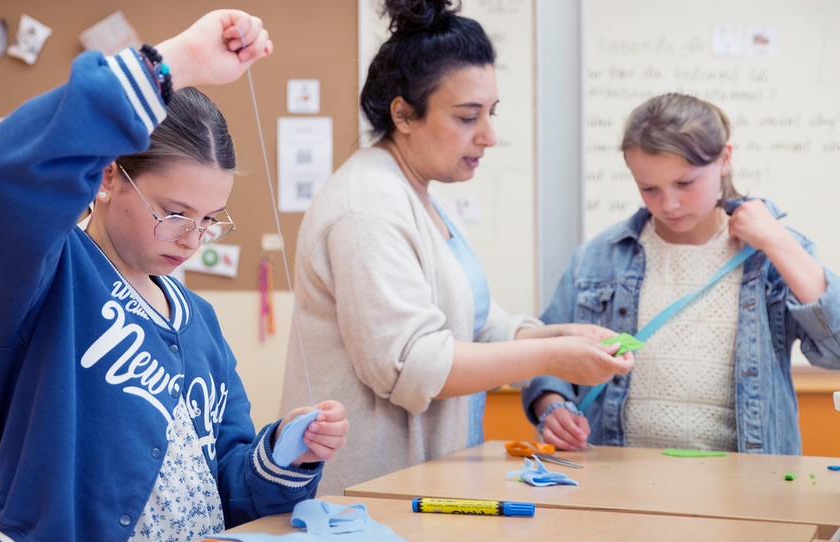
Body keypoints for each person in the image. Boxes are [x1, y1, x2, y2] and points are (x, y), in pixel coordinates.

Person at [0, 11, 348, 542]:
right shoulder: (46, 274)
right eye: (174, 212)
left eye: (210, 220)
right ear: (108, 175)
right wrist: (182, 61)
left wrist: (284, 452)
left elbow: (227, 485)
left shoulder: (200, 321)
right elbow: (1, 170)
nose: (192, 238)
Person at [278, 0, 633, 497]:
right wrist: (552, 356)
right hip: (366, 496)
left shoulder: (423, 197)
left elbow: (476, 327)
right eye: (468, 117)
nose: (488, 136)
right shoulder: (368, 206)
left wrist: (559, 334)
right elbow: (413, 365)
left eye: (491, 113)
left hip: (420, 486)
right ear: (403, 113)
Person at [522, 93, 840, 454]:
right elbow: (542, 353)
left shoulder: (770, 255)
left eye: (685, 183)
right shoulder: (598, 258)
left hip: (743, 486)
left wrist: (778, 241)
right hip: (615, 481)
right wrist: (551, 405)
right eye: (649, 188)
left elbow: (836, 349)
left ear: (724, 159)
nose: (668, 204)